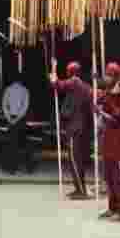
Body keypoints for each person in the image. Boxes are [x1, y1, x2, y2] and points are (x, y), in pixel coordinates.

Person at [49, 62, 92, 197]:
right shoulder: (85, 87)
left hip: (74, 128)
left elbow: (57, 85)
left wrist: (53, 72)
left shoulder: (74, 82)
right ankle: (79, 188)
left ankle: (81, 190)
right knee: (77, 160)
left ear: (70, 72)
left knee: (74, 160)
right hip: (81, 128)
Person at [97, 62, 120, 221]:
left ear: (115, 77)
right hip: (107, 139)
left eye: (108, 75)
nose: (105, 77)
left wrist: (101, 111)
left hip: (117, 139)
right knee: (108, 176)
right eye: (106, 74)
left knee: (117, 177)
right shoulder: (107, 93)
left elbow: (117, 118)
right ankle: (112, 207)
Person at [2, 78, 34, 175]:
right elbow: (25, 107)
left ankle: (11, 168)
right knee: (25, 144)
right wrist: (18, 118)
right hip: (21, 119)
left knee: (12, 145)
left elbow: (4, 105)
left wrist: (9, 118)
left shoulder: (7, 89)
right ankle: (28, 168)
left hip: (11, 118)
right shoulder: (25, 90)